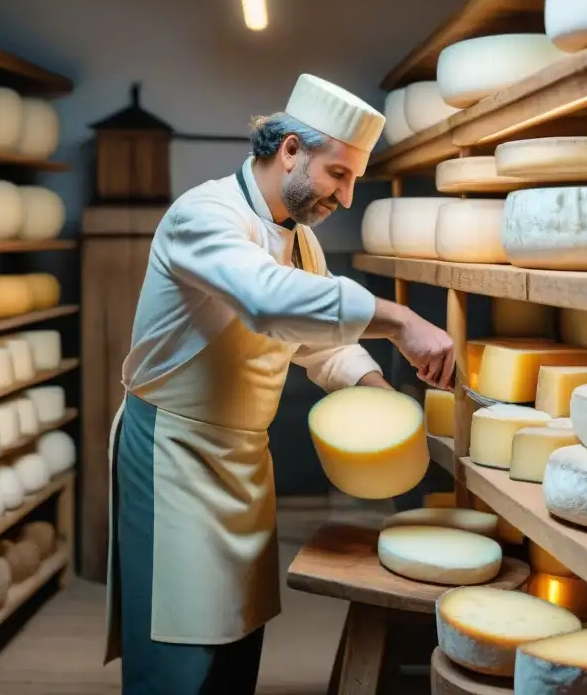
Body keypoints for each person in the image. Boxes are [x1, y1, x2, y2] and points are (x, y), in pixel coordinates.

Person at [103, 73, 455, 693]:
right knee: (179, 650)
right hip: (174, 458)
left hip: (244, 461)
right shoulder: (203, 215)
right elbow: (266, 302)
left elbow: (319, 345)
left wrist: (373, 387)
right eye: (338, 175)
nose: (345, 198)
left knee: (237, 640)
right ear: (290, 149)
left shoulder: (303, 243)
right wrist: (399, 320)